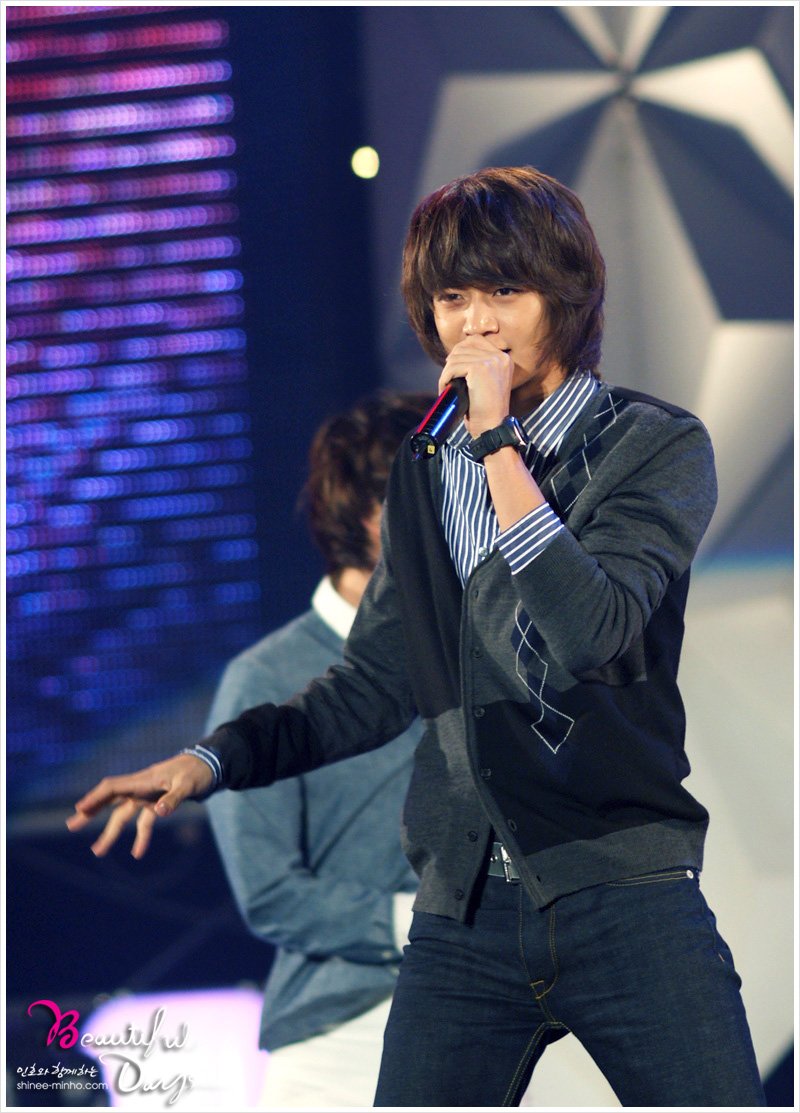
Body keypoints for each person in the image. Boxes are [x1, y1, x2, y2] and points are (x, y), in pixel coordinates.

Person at [68, 166, 765, 1108]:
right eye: (452, 299)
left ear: (565, 296)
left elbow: (592, 633)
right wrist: (213, 758)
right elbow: (374, 680)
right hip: (464, 907)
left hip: (622, 886)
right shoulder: (426, 465)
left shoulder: (650, 445)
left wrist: (497, 446)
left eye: (504, 291)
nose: (476, 324)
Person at [203, 392, 431, 1107]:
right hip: (345, 1028)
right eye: (434, 495)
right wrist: (425, 920)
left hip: (494, 1007)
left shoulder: (476, 647)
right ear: (367, 514)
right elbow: (271, 892)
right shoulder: (265, 679)